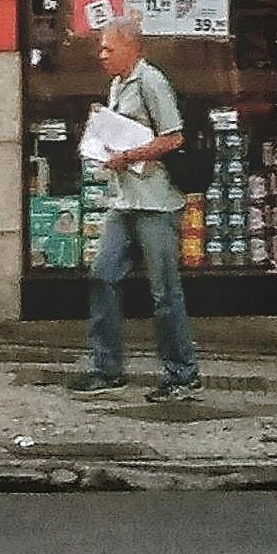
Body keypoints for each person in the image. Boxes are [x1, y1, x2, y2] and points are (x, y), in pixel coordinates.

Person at [72, 21, 200, 403]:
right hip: (125, 199)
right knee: (102, 275)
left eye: (108, 48)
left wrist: (128, 155)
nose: (102, 55)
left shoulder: (151, 81)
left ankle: (182, 374)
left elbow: (174, 136)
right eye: (101, 48)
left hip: (156, 202)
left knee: (164, 292)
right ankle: (107, 368)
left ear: (131, 48)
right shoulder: (118, 84)